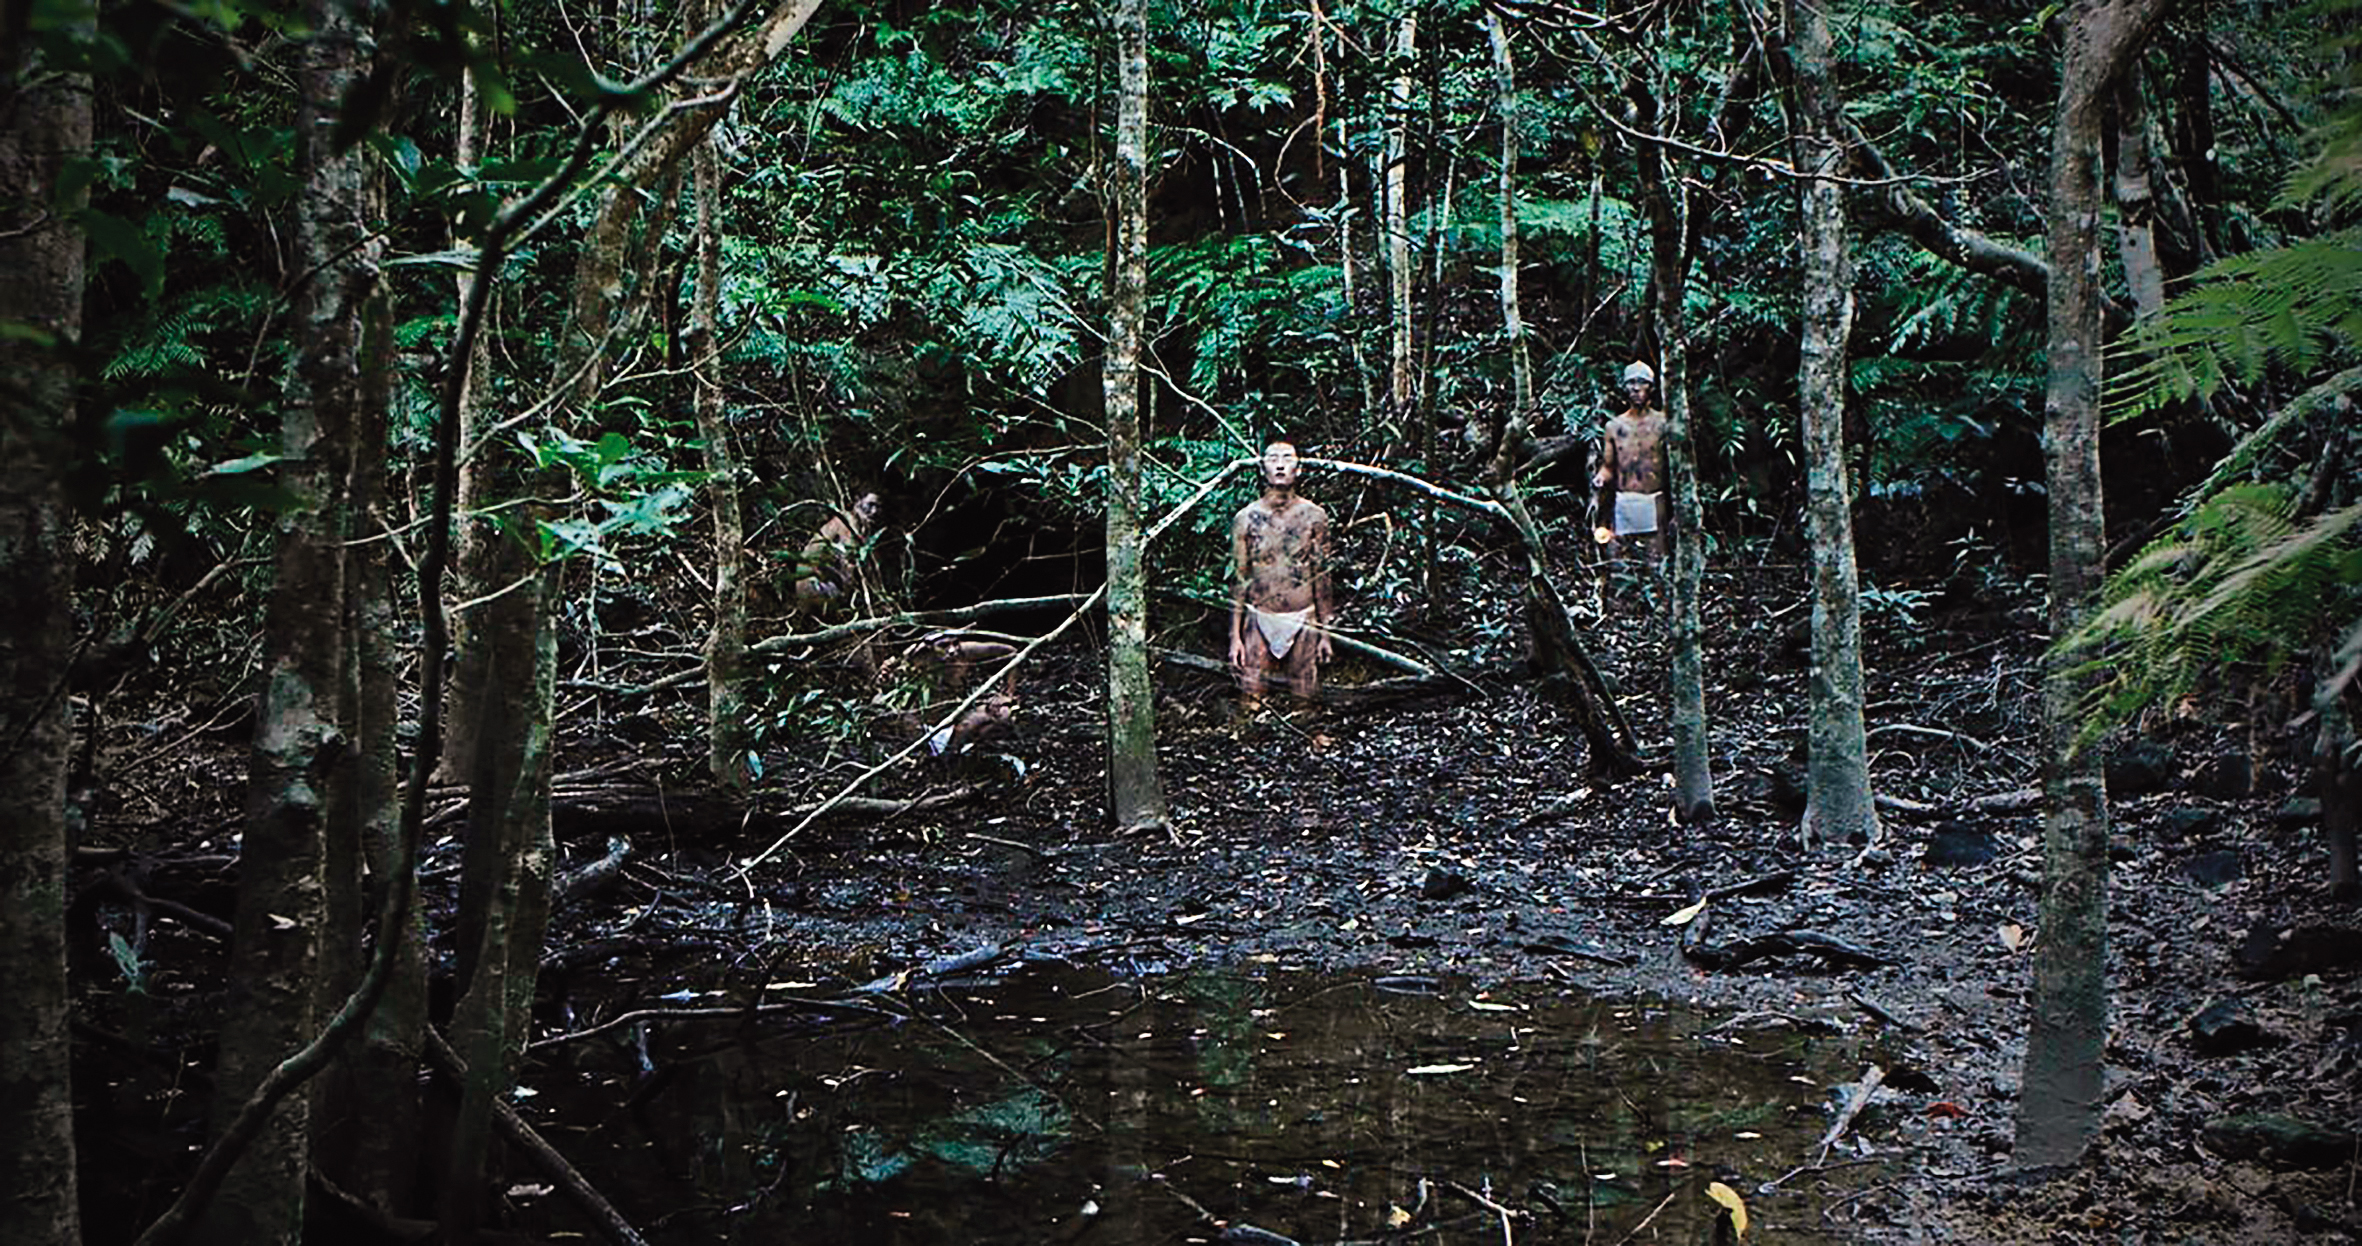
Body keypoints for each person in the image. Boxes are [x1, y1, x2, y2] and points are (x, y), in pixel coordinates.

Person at [1228, 439, 1335, 709]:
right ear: (1262, 467)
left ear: (1298, 468)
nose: (1279, 464)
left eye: (1287, 458)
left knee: (1304, 696)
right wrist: (1235, 637)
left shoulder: (1314, 516)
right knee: (1251, 695)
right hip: (1261, 615)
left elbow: (1322, 577)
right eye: (1272, 458)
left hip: (1303, 615)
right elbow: (1240, 578)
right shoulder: (1246, 518)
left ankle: (1308, 740)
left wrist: (1326, 633)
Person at [1592, 361, 1670, 563]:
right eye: (1631, 383)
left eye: (1641, 383)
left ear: (1651, 388)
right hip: (1623, 500)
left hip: (1654, 499)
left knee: (1655, 561)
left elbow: (1676, 464)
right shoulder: (1614, 426)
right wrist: (1600, 478)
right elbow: (1609, 467)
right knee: (1619, 562)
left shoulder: (1663, 424)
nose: (1636, 388)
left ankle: (1656, 593)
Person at [792, 491, 880, 616]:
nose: (874, 511)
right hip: (815, 586)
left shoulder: (849, 523)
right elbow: (849, 562)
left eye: (877, 507)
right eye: (870, 505)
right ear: (857, 500)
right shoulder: (848, 522)